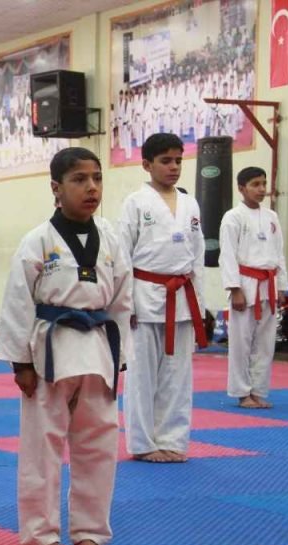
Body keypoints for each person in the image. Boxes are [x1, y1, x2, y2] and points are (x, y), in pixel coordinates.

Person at [0, 147, 133, 545]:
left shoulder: (111, 239)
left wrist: (120, 357)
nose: (91, 187)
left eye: (96, 178)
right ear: (56, 188)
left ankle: (90, 530)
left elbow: (123, 301)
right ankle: (41, 533)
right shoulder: (36, 240)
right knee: (43, 445)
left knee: (99, 443)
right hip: (50, 350)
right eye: (79, 179)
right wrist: (20, 362)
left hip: (97, 347)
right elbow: (17, 302)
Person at [117, 133, 207, 464]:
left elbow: (196, 257)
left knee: (178, 376)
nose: (173, 167)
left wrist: (200, 300)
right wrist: (125, 303)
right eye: (166, 161)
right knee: (142, 375)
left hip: (182, 297)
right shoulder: (135, 202)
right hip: (145, 295)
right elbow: (122, 255)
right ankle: (142, 443)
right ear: (147, 164)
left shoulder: (190, 203)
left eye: (178, 161)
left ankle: (172, 439)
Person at [219, 167, 288, 409]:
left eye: (264, 183)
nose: (261, 189)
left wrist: (280, 285)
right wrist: (234, 288)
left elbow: (279, 253)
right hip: (245, 284)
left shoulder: (272, 217)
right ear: (241, 188)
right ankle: (241, 392)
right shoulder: (233, 217)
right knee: (241, 342)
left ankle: (258, 390)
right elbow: (226, 255)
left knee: (266, 341)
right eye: (255, 184)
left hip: (268, 283)